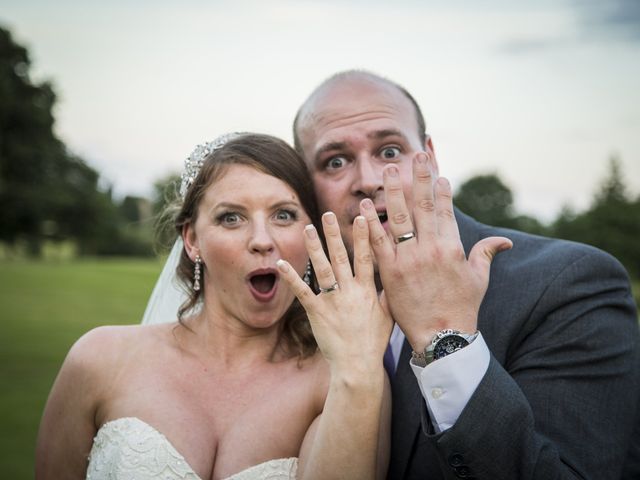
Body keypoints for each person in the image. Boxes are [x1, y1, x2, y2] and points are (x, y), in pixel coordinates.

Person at [293, 70, 640, 479]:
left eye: (389, 152)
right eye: (335, 161)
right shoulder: (291, 305)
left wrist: (444, 337)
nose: (368, 181)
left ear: (430, 155)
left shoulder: (569, 284)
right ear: (304, 183)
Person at [35, 133, 393, 479]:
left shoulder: (341, 381)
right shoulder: (99, 361)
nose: (262, 241)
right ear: (192, 240)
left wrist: (358, 373)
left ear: (310, 233)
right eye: (231, 218)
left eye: (283, 215)